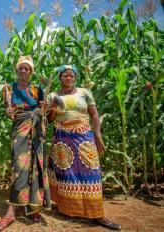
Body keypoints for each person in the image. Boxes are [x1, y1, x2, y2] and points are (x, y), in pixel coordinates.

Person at [46, 65, 121, 230]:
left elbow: (94, 115)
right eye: (65, 76)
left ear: (75, 78)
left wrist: (98, 136)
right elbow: (50, 119)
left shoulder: (84, 93)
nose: (68, 78)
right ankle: (67, 209)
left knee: (91, 172)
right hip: (62, 137)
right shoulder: (53, 95)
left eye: (71, 76)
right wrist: (51, 109)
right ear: (60, 78)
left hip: (84, 135)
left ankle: (97, 214)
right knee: (66, 174)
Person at [0, 55, 51, 231]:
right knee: (19, 168)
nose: (24, 71)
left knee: (36, 166)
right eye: (21, 68)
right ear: (17, 69)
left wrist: (46, 105)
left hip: (36, 130)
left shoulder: (37, 89)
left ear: (31, 72)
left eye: (27, 68)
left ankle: (33, 208)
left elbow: (43, 108)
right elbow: (8, 111)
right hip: (19, 128)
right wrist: (9, 112)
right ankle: (11, 211)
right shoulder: (9, 88)